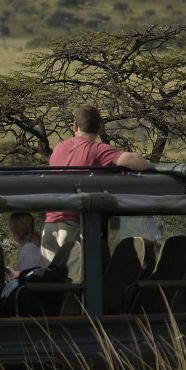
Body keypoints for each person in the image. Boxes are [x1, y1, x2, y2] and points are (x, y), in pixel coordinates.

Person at [41, 105, 150, 263]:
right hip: (75, 224)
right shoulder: (98, 150)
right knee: (77, 280)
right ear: (99, 129)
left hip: (50, 225)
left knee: (50, 282)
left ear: (75, 126)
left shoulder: (59, 148)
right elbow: (140, 163)